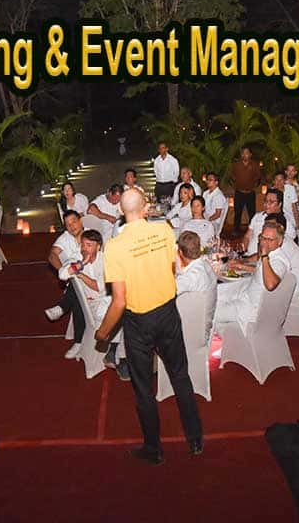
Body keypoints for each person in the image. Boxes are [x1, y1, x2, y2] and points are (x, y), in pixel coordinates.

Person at [94, 189, 203, 465]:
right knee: (180, 376)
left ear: (120, 212)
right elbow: (171, 268)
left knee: (144, 389)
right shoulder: (164, 230)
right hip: (168, 314)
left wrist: (103, 333)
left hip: (139, 322)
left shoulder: (114, 247)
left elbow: (119, 301)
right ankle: (195, 439)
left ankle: (154, 449)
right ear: (145, 208)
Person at [58, 229, 129, 380]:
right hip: (95, 307)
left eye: (89, 245)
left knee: (129, 309)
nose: (84, 249)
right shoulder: (77, 258)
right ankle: (119, 354)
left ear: (98, 246)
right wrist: (81, 265)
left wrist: (79, 274)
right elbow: (62, 274)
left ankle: (114, 350)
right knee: (128, 315)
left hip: (107, 301)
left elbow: (101, 287)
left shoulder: (106, 260)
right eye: (83, 245)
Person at [215, 221, 291, 335]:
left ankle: (224, 339)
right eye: (263, 238)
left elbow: (270, 284)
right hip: (246, 296)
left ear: (280, 242)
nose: (264, 242)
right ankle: (224, 336)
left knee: (210, 311)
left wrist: (264, 256)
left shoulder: (279, 261)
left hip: (251, 309)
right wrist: (243, 266)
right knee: (216, 295)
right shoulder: (272, 254)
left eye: (269, 240)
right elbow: (261, 271)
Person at [44, 210, 89, 359]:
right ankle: (78, 341)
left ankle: (62, 307)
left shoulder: (91, 235)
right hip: (76, 280)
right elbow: (52, 255)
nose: (72, 226)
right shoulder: (65, 238)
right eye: (68, 225)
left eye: (74, 222)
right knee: (77, 291)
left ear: (80, 221)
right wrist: (62, 271)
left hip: (93, 279)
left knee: (77, 289)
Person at [175, 231, 217, 341]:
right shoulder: (206, 265)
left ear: (180, 252)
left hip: (194, 331)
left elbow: (166, 293)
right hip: (205, 322)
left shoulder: (190, 277)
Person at [244, 189, 296, 255]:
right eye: (266, 201)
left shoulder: (285, 222)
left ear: (279, 204)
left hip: (265, 258)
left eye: (271, 202)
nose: (267, 204)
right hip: (247, 255)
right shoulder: (257, 216)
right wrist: (243, 248)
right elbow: (247, 236)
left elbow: (285, 247)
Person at [230, 146, 262, 235]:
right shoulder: (236, 165)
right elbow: (232, 177)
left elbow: (258, 177)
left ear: (250, 154)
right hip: (239, 193)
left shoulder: (254, 164)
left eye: (247, 153)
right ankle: (236, 229)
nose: (245, 155)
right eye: (243, 153)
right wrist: (235, 186)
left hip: (250, 193)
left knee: (252, 213)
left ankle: (252, 230)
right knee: (237, 213)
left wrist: (254, 186)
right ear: (241, 155)